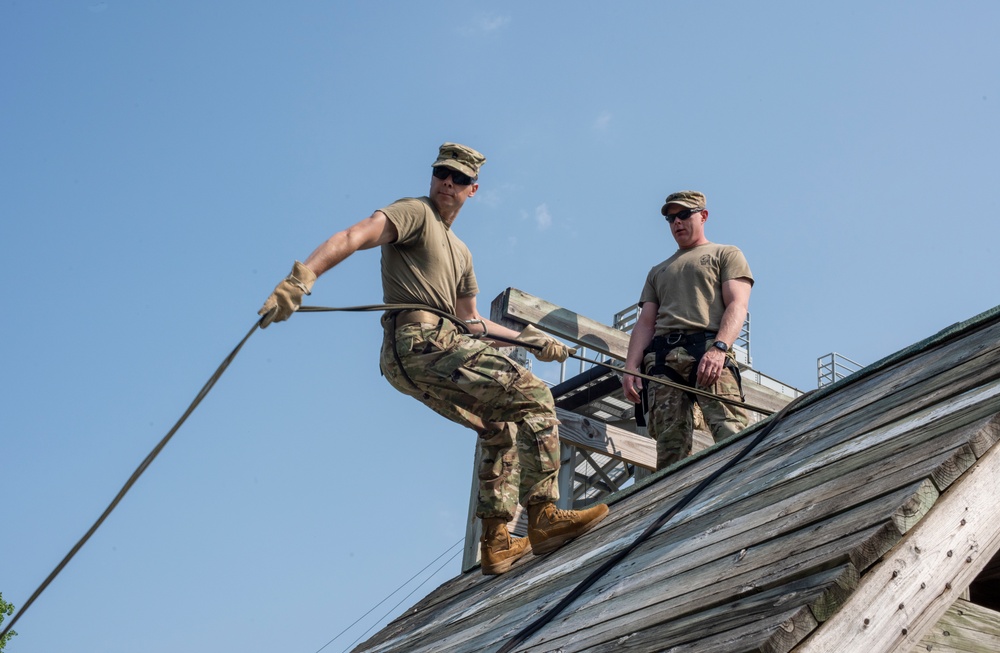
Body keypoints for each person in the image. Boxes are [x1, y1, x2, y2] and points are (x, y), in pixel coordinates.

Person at [258, 142, 608, 575]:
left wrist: (529, 339)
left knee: (500, 425)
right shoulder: (414, 212)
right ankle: (543, 516)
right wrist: (301, 278)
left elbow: (472, 323)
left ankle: (497, 542)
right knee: (534, 393)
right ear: (432, 176)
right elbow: (354, 235)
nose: (449, 182)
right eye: (443, 173)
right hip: (421, 340)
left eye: (460, 178)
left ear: (473, 190)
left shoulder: (461, 252)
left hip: (423, 353)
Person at [621, 190, 753, 471]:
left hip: (707, 350)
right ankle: (672, 507)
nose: (676, 223)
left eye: (683, 215)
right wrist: (631, 367)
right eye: (670, 219)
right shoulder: (658, 270)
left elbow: (737, 305)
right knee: (669, 449)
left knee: (733, 434)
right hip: (663, 361)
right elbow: (645, 322)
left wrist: (720, 348)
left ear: (703, 216)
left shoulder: (725, 253)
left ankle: (746, 489)